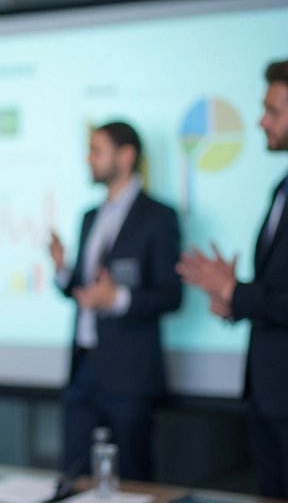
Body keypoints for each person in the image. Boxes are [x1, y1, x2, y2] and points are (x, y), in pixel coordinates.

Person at [178, 57, 288, 502]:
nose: (261, 120)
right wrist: (234, 302)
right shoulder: (284, 186)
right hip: (270, 392)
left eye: (273, 111)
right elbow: (282, 289)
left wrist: (236, 291)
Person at [48, 122, 181, 482]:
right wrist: (63, 270)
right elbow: (83, 290)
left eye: (96, 151)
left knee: (133, 477)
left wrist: (119, 298)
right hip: (83, 367)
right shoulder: (89, 217)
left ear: (126, 156)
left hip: (130, 375)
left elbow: (172, 295)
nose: (88, 159)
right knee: (73, 474)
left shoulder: (158, 216)